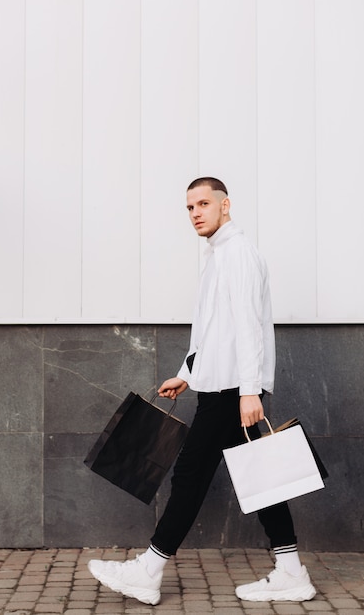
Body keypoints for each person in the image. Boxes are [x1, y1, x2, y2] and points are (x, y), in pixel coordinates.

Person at [88, 177, 316, 606]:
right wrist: (186, 373)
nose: (195, 212)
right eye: (189, 206)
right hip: (223, 385)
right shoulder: (220, 256)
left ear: (225, 205)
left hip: (233, 390)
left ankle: (149, 570)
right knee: (260, 476)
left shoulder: (238, 255)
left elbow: (248, 328)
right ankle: (289, 571)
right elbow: (213, 332)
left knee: (190, 476)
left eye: (204, 203)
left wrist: (250, 392)